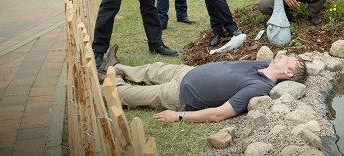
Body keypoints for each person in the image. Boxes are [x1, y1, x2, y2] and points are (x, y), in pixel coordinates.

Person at [97, 45, 308, 123]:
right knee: (153, 68)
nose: (286, 55)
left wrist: (178, 116)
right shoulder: (264, 64)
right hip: (188, 72)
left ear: (288, 73)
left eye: (291, 59)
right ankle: (117, 67)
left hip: (181, 93)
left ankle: (112, 79)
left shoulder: (260, 88)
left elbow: (219, 114)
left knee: (127, 95)